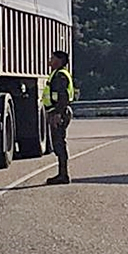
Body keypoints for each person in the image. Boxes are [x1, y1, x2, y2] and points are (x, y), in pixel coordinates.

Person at [43, 50, 74, 185]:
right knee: (58, 143)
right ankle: (62, 174)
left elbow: (63, 97)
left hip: (59, 112)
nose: (50, 60)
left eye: (53, 58)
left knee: (59, 143)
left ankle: (63, 175)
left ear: (60, 61)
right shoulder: (58, 74)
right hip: (59, 112)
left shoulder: (60, 76)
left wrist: (57, 114)